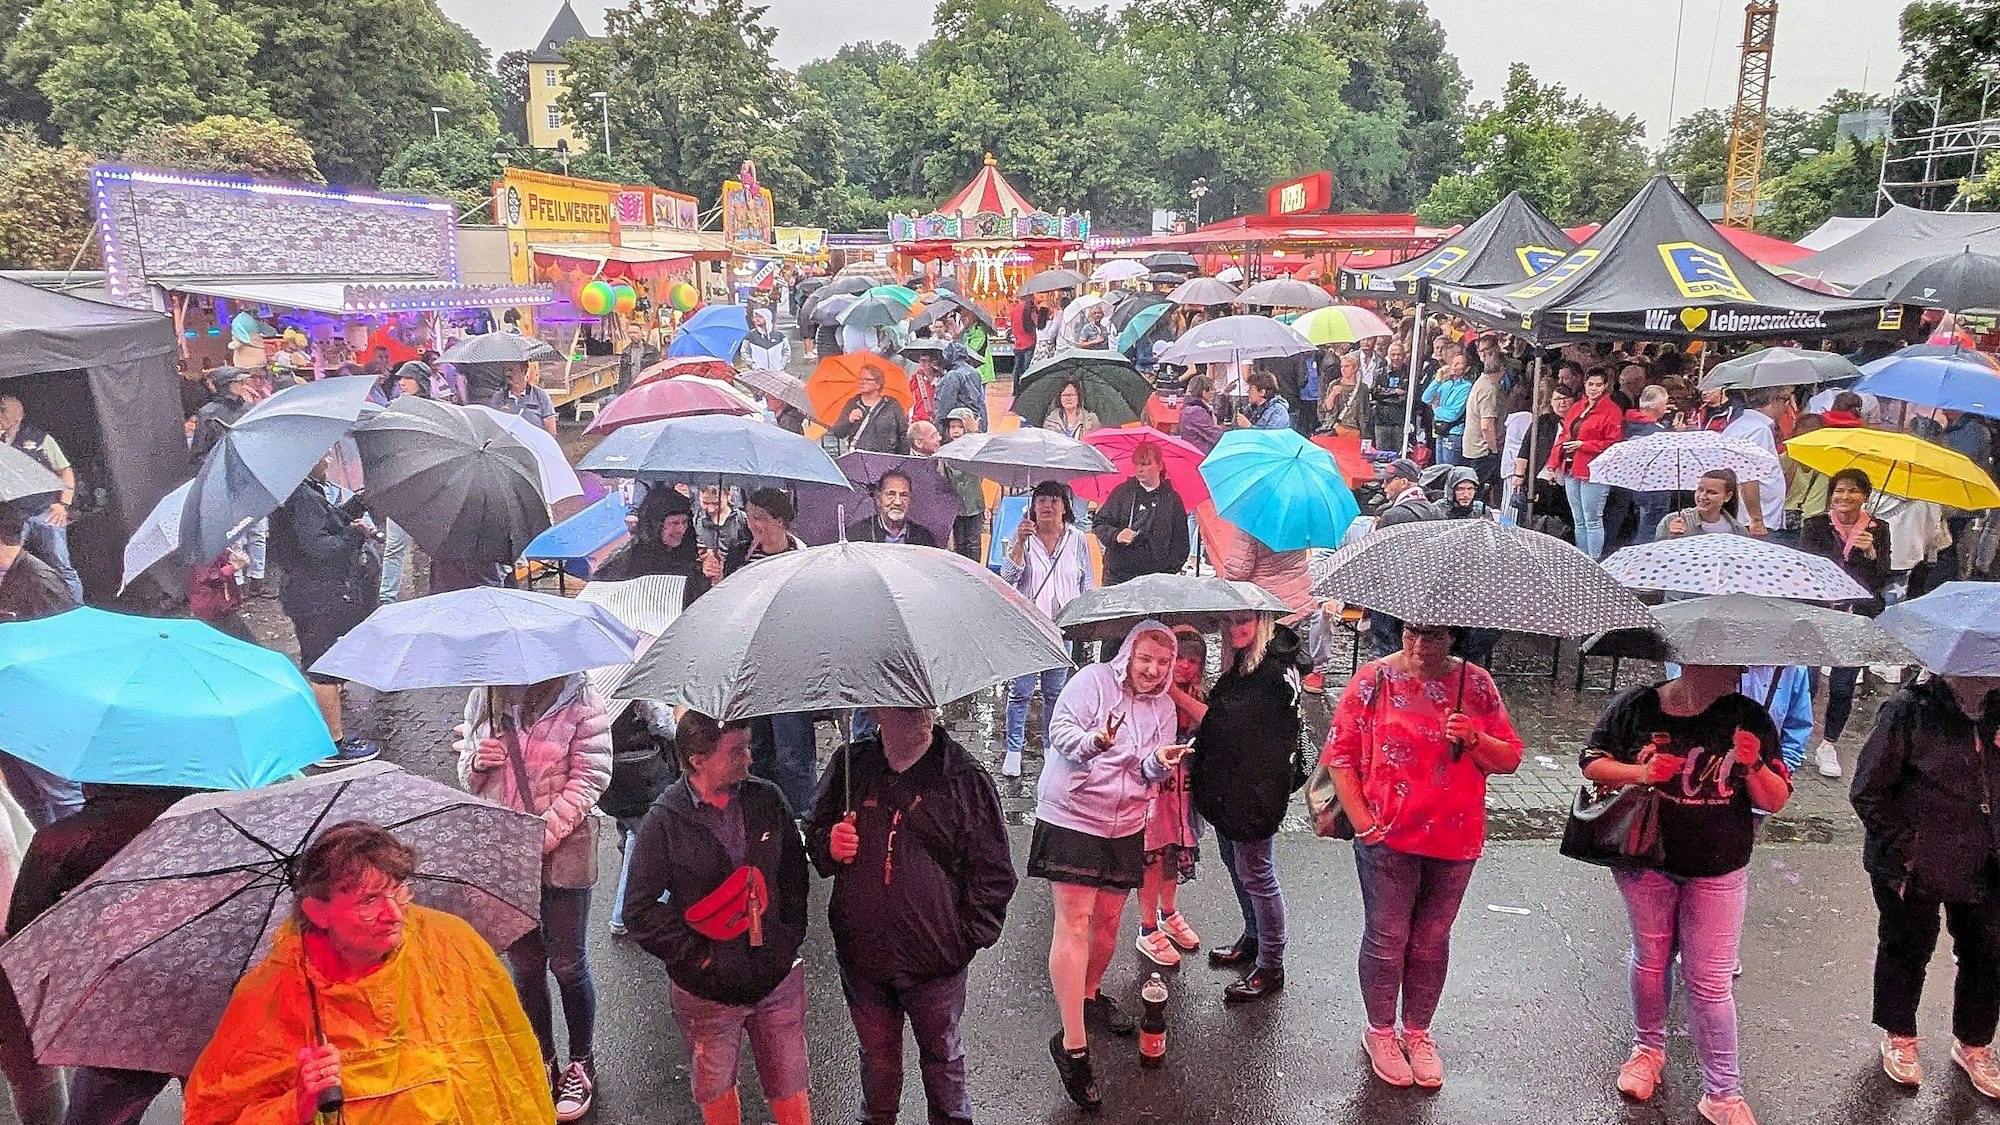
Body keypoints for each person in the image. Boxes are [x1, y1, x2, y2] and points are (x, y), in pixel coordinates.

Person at [182, 822, 555, 1125]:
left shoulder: (451, 944)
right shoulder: (271, 995)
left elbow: (507, 1066)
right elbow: (217, 1116)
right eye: (369, 900)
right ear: (318, 911)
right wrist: (295, 1107)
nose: (394, 914)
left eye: (399, 890)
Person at [1581, 664, 1791, 1123]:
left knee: (1711, 981)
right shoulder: (1637, 705)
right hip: (1645, 858)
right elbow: (1592, 762)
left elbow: (1775, 800)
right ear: (1700, 659)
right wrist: (1640, 772)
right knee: (1651, 959)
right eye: (1732, 663)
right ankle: (1647, 1049)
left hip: (1719, 867)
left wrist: (1753, 763)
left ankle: (1723, 1093)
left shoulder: (1748, 716)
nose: (1740, 672)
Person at [1326, 621, 1524, 1089]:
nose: (1418, 645)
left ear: (1454, 637)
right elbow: (1340, 754)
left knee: (1432, 938)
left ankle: (1417, 1031)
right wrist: (1364, 824)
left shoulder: (1474, 683)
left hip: (1455, 840)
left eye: (1433, 636)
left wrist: (1474, 737)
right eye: (1411, 632)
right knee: (1387, 936)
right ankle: (1379, 1031)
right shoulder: (1373, 678)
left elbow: (1510, 758)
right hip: (1388, 838)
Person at [805, 707, 1017, 1125]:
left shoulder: (964, 779)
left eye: (924, 699)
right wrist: (829, 845)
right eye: (904, 700)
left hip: (935, 966)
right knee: (878, 1064)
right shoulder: (851, 766)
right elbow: (814, 838)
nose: (921, 710)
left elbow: (994, 875)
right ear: (877, 710)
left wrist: (960, 940)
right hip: (863, 959)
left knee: (943, 1064)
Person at [622, 713, 812, 1125]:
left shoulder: (767, 799)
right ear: (697, 759)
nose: (748, 758)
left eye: (747, 746)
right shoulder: (665, 820)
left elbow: (794, 875)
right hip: (705, 994)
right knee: (716, 1087)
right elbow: (639, 910)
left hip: (776, 981)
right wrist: (701, 957)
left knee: (790, 1083)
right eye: (736, 751)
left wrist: (786, 939)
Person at [1035, 622, 1182, 1110]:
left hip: (1125, 824)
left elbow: (1145, 770)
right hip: (1073, 815)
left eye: (1163, 663)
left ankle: (1089, 995)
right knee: (1075, 923)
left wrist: (1160, 760)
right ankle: (1072, 1046)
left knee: (1109, 923)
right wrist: (1097, 741)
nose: (1153, 670)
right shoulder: (1091, 681)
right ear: (1128, 655)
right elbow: (1059, 734)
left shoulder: (1164, 708)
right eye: (1146, 659)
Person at [456, 674, 613, 1121]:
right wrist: (476, 763)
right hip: (504, 851)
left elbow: (591, 778)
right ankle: (542, 1058)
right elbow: (469, 772)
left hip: (561, 850)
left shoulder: (581, 700)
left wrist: (541, 832)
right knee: (525, 966)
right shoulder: (485, 694)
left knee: (567, 962)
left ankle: (581, 1062)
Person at [1851, 670, 2000, 1098]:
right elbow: (1868, 791)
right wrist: (1907, 848)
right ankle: (1899, 1035)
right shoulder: (1908, 711)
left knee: (1987, 952)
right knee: (1907, 945)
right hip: (1915, 861)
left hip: (1985, 859)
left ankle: (1974, 1043)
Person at [1179, 613, 1303, 1002]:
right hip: (1232, 786)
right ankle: (1253, 939)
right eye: (1227, 622)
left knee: (1258, 875)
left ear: (1263, 619)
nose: (1234, 630)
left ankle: (1271, 964)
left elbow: (1219, 723)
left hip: (1255, 791)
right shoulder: (1249, 661)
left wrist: (1172, 691)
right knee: (1237, 865)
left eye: (1243, 620)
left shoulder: (1270, 672)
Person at [707, 490, 818, 817]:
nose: (752, 524)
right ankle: (764, 816)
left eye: (760, 518)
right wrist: (718, 580)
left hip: (789, 668)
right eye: (750, 515)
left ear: (781, 521)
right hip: (751, 665)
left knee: (793, 751)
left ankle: (801, 818)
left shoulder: (803, 557)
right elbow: (728, 606)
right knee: (758, 748)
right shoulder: (740, 553)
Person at [268, 456, 382, 766]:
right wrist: (356, 534)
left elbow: (322, 525)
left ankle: (325, 732)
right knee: (322, 665)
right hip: (314, 595)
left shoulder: (301, 491)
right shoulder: (303, 496)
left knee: (323, 658)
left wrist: (355, 506)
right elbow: (319, 547)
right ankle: (332, 747)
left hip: (308, 592)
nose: (328, 459)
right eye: (322, 455)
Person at [1800, 468, 1894, 780]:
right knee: (1808, 682)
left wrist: (1870, 552)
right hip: (1819, 614)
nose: (1844, 497)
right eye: (1839, 490)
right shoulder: (1815, 525)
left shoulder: (1879, 529)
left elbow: (1880, 578)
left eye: (1853, 491)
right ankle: (1796, 737)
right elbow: (1808, 568)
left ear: (1865, 496)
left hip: (1855, 618)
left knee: (1842, 687)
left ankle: (1829, 744)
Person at [1001, 482, 1094, 777]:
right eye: (1041, 500)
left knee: (1056, 693)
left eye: (1054, 500)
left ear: (1065, 506)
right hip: (1029, 628)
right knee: (1021, 692)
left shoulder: (1076, 539)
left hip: (1061, 630)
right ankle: (1013, 749)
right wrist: (1018, 542)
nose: (1047, 506)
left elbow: (1086, 582)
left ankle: (1051, 747)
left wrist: (1084, 620)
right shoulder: (1023, 536)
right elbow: (1008, 578)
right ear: (1033, 505)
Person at [1133, 628, 1206, 967]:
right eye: (1181, 660)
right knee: (1152, 853)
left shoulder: (1199, 694)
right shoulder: (1150, 696)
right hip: (1155, 792)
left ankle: (1169, 912)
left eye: (1194, 662)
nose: (1186, 668)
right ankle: (1148, 927)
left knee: (1174, 852)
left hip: (1182, 795)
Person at [601, 700, 674, 937]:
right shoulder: (638, 694)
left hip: (614, 781)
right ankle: (624, 914)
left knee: (632, 832)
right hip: (644, 780)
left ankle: (630, 911)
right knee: (649, 841)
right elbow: (667, 727)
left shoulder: (594, 693)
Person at [0, 395, 82, 604]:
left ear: (18, 415)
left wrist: (64, 504)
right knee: (5, 566)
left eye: (3, 410)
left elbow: (65, 469)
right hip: (12, 516)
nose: (0, 415)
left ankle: (76, 608)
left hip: (44, 512)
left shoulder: (39, 438)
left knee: (60, 565)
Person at [1546, 367, 1624, 559]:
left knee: (1592, 518)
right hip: (1571, 467)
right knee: (1578, 518)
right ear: (1585, 384)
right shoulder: (1577, 407)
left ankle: (1594, 560)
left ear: (1606, 386)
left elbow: (1614, 443)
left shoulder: (1612, 410)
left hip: (1594, 470)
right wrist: (1552, 465)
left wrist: (1584, 445)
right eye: (1590, 384)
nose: (1594, 389)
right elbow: (1563, 436)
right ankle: (1582, 557)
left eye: (1598, 385)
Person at [1368, 458, 1443, 658]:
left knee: (1389, 652)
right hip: (1424, 594)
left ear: (1404, 482)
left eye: (1389, 480)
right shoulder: (1436, 511)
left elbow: (1379, 561)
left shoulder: (1392, 516)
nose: (1384, 486)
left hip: (1392, 596)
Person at [1093, 443, 1190, 589]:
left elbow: (1180, 542)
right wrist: (1116, 535)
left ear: (1159, 465)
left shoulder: (1172, 499)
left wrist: (1167, 573)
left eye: (1145, 464)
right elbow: (1099, 523)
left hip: (1156, 582)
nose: (1140, 469)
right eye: (1137, 464)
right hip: (1118, 577)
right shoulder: (1122, 493)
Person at [596, 486, 712, 601]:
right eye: (674, 523)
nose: (681, 529)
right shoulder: (626, 562)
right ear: (655, 525)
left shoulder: (685, 554)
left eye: (685, 522)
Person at [1721, 386, 1796, 540]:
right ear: (1775, 401)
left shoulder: (1738, 425)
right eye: (1786, 400)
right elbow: (1748, 476)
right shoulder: (1758, 430)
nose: (1787, 407)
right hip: (1757, 520)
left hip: (1745, 516)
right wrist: (1756, 518)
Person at [1620, 386, 1676, 546]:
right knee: (1651, 530)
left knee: (1641, 520)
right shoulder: (1658, 433)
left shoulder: (1628, 424)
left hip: (1635, 483)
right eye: (1665, 404)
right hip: (1657, 486)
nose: (1666, 408)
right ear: (1658, 406)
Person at [830, 360, 911, 454]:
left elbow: (903, 434)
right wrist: (848, 420)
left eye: (867, 379)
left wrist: (901, 460)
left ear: (878, 384)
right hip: (860, 458)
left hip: (887, 459)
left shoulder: (891, 405)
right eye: (860, 379)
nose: (862, 382)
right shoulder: (853, 403)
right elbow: (838, 433)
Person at [844, 469, 939, 546]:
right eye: (891, 494)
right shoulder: (857, 534)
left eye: (904, 495)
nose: (898, 502)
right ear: (878, 498)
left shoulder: (923, 537)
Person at [939, 410, 985, 561]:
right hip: (955, 506)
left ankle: (976, 569)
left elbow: (982, 451)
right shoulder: (945, 451)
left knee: (973, 542)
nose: (956, 431)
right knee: (960, 542)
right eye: (953, 427)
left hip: (974, 504)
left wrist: (974, 433)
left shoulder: (974, 449)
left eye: (960, 427)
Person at [1460, 350, 1505, 502]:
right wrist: (1494, 450)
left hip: (1471, 446)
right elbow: (1487, 425)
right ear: (1503, 369)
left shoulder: (1480, 382)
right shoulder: (1489, 389)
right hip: (1482, 450)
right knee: (1476, 494)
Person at [187, 369, 256, 463]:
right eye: (237, 382)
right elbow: (199, 452)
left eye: (242, 381)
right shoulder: (208, 412)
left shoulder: (249, 408)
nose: (242, 385)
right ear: (226, 385)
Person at [1659, 469, 1746, 539]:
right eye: (1700, 490)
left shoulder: (1738, 530)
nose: (1702, 496)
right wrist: (1671, 538)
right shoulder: (1672, 520)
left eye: (1712, 492)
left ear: (1728, 496)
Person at [1422, 347, 1473, 465]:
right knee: (1440, 468)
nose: (1454, 366)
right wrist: (1437, 381)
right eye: (1454, 362)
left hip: (1453, 432)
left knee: (1450, 468)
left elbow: (1453, 414)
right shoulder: (1446, 384)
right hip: (1439, 430)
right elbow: (1426, 398)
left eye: (1459, 363)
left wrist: (1436, 408)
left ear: (1466, 368)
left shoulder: (1466, 387)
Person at [491, 363, 558, 436]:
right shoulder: (498, 397)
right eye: (505, 370)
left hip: (533, 444)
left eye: (511, 370)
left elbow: (551, 429)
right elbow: (492, 429)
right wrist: (501, 417)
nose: (507, 374)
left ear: (523, 370)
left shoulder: (540, 395)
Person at [932, 344, 987, 432]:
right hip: (973, 421)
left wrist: (939, 428)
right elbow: (981, 403)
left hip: (956, 422)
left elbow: (944, 405)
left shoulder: (952, 376)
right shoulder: (974, 373)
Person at [694, 485, 751, 566]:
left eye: (716, 503)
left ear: (729, 496)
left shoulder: (742, 520)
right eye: (705, 503)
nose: (711, 509)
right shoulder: (694, 520)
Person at [1176, 373, 1222, 454]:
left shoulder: (1193, 407)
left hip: (1197, 449)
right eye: (1212, 389)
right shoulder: (1196, 412)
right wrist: (1231, 431)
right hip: (1201, 453)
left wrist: (1225, 393)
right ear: (1204, 392)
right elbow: (1214, 435)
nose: (1214, 393)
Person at [616, 321, 661, 395]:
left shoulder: (651, 351)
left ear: (641, 333)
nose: (632, 335)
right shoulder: (626, 352)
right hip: (630, 388)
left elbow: (657, 371)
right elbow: (622, 374)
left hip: (646, 387)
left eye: (635, 332)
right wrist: (620, 392)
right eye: (630, 333)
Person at [738, 308, 789, 373]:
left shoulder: (779, 336)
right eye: (756, 317)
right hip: (758, 374)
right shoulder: (750, 336)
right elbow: (744, 352)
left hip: (777, 373)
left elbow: (786, 351)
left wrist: (781, 366)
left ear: (767, 318)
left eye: (760, 316)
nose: (757, 319)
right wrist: (753, 366)